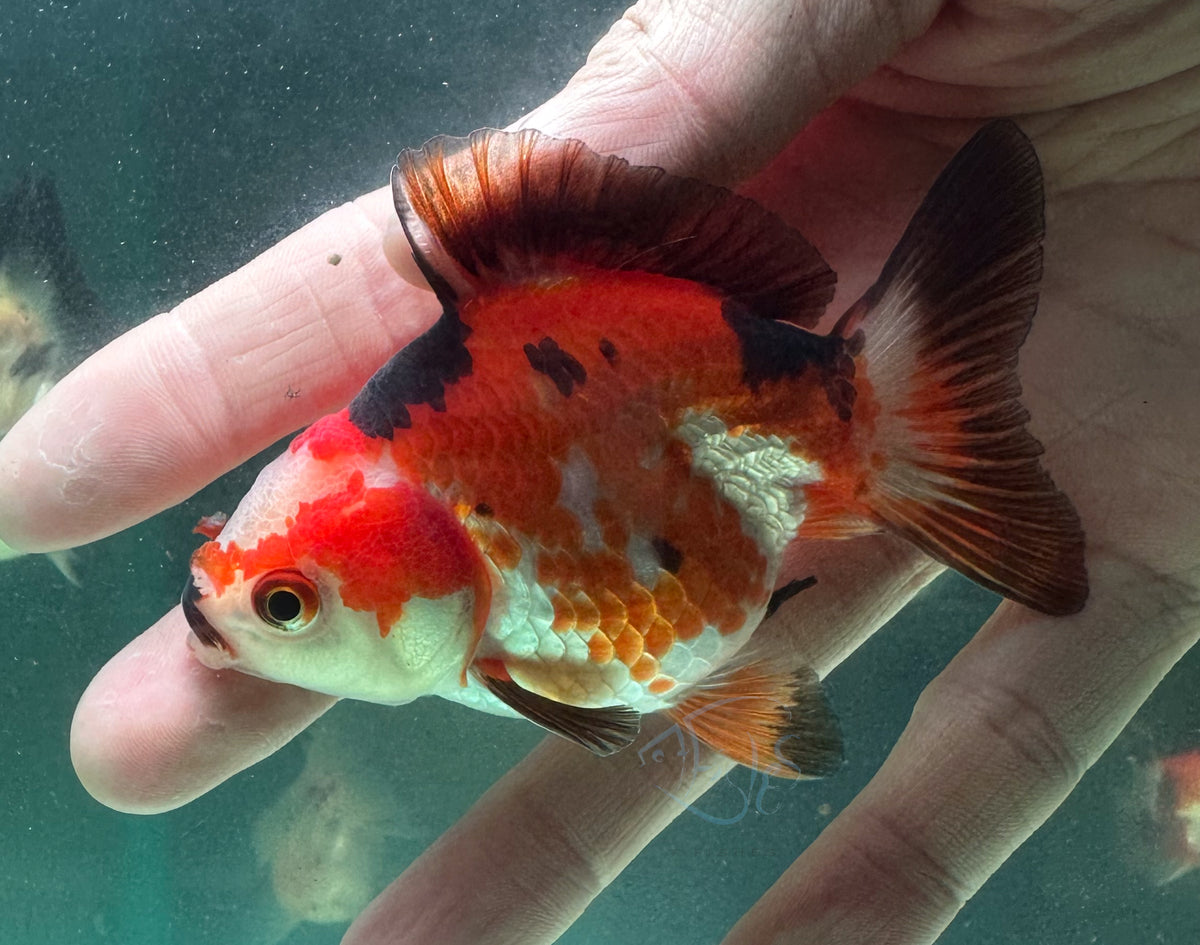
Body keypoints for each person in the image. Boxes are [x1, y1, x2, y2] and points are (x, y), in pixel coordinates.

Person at [0, 0, 1196, 941]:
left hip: (685, 378)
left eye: (288, 603)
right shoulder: (368, 473)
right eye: (265, 589)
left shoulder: (485, 596)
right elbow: (717, 694)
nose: (251, 617)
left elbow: (687, 693)